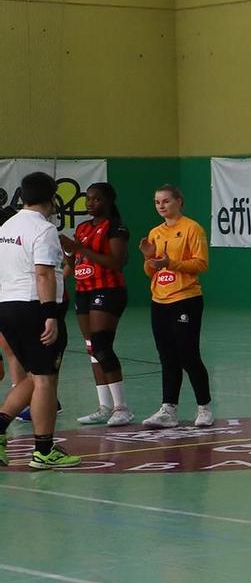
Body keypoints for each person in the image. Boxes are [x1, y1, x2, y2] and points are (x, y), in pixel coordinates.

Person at [0, 173, 80, 467]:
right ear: (53, 198)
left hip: (6, 307)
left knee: (34, 374)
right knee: (46, 379)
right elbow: (44, 273)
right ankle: (44, 451)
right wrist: (50, 315)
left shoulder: (6, 226)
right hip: (35, 307)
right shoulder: (44, 229)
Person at [140, 184, 213, 430]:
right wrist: (150, 258)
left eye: (166, 201)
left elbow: (201, 264)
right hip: (159, 300)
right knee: (167, 356)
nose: (161, 206)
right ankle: (168, 409)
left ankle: (204, 407)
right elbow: (150, 271)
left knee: (188, 354)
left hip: (186, 298)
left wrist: (171, 262)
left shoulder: (192, 228)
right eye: (157, 202)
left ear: (179, 202)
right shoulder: (155, 232)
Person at [63, 182, 132, 427]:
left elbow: (116, 262)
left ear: (109, 201)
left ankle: (122, 408)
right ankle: (104, 407)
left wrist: (80, 248)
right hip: (83, 291)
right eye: (88, 199)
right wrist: (69, 253)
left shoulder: (115, 227)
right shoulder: (82, 227)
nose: (91, 203)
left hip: (108, 290)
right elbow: (73, 261)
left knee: (103, 346)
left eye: (97, 199)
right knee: (93, 348)